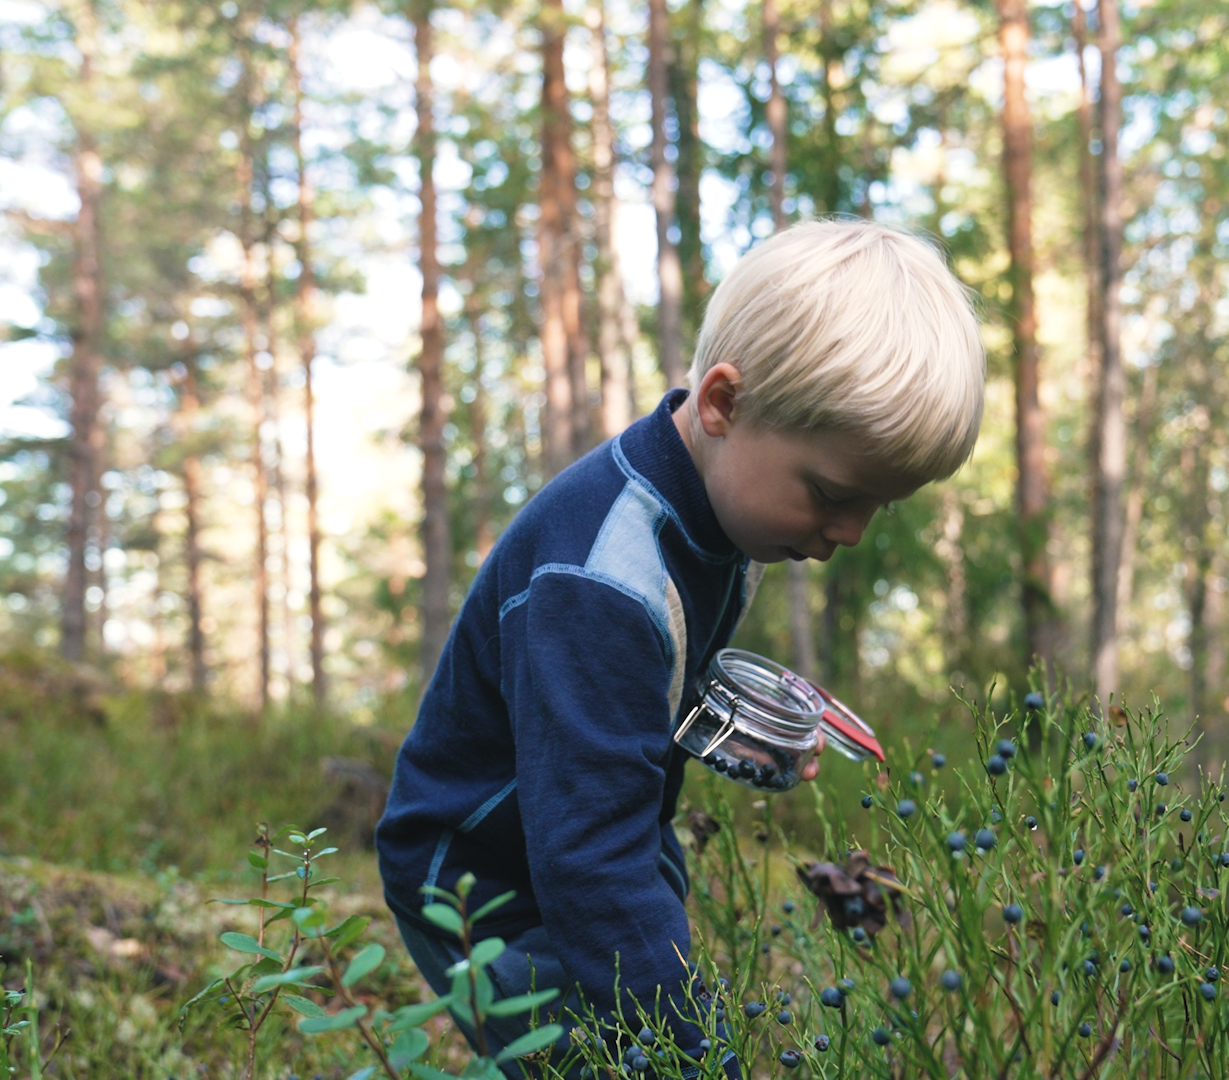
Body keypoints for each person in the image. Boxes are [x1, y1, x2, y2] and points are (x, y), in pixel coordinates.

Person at [376, 218, 985, 1077]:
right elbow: (590, 862)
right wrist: (697, 1056)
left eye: (879, 506)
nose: (849, 532)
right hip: (484, 873)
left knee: (646, 991)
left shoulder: (719, 504)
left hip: (585, 822)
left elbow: (628, 700)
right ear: (724, 404)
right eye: (830, 494)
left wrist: (717, 715)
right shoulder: (603, 580)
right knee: (617, 1051)